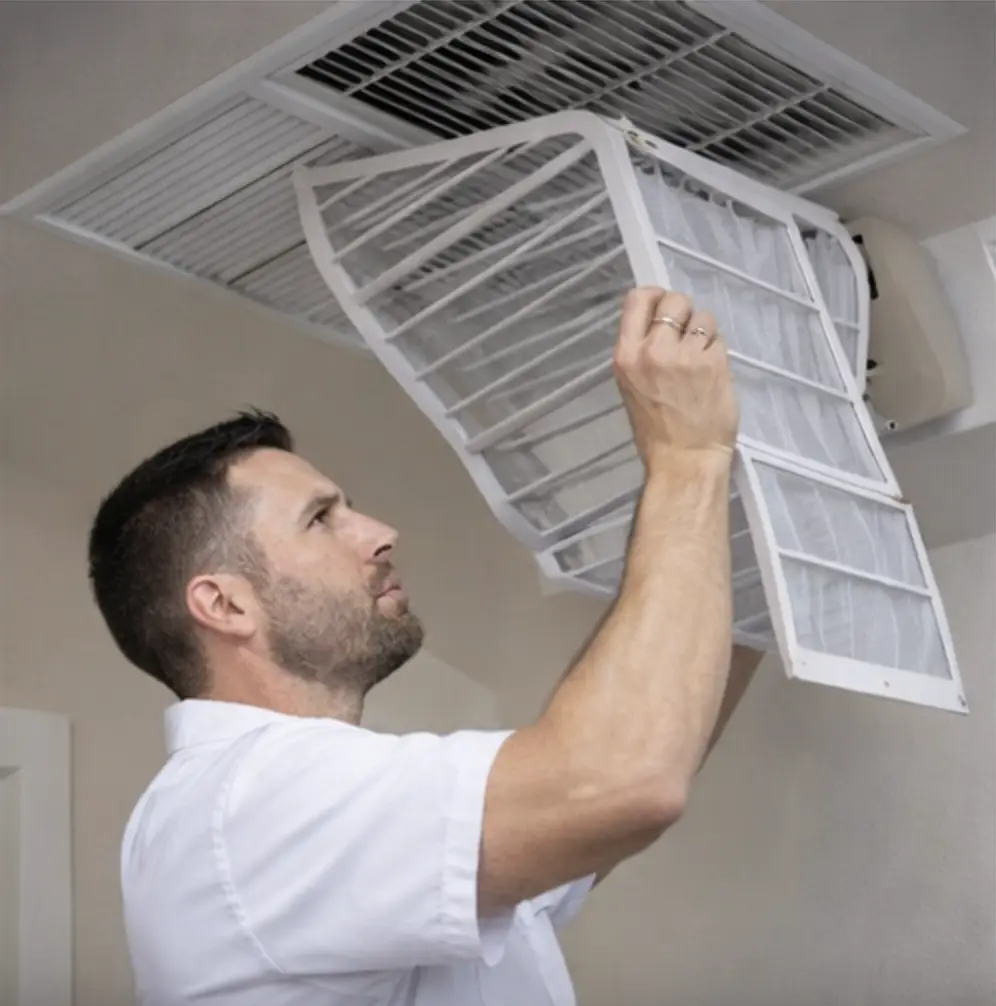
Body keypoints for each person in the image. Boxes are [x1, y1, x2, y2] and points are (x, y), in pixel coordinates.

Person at [88, 287, 762, 1006]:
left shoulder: (328, 811)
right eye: (320, 519)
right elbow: (615, 781)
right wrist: (688, 458)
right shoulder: (246, 803)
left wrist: (746, 526)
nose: (379, 532)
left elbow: (597, 788)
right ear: (224, 604)